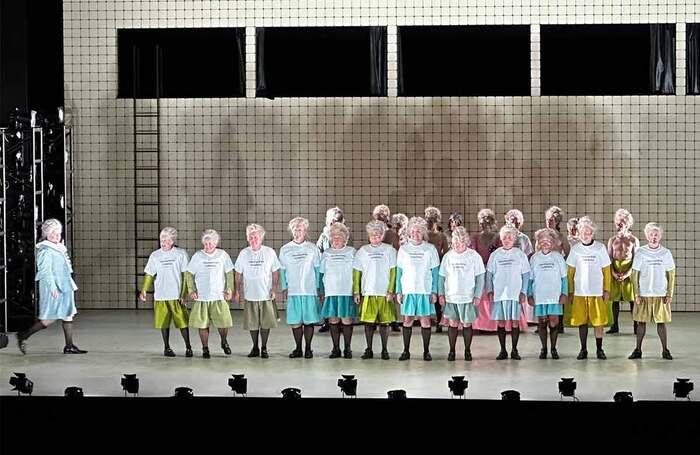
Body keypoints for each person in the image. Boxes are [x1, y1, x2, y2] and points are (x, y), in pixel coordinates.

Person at [17, 219, 87, 355]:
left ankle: (69, 346)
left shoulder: (59, 247)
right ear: (46, 234)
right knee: (48, 319)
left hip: (65, 285)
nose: (56, 236)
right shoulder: (45, 249)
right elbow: (45, 271)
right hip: (53, 288)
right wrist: (52, 287)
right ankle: (23, 336)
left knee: (68, 314)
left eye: (58, 233)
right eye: (53, 233)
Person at [140, 227, 192, 357]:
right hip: (161, 295)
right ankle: (167, 348)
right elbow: (149, 274)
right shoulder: (155, 255)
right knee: (164, 323)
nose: (162, 242)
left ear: (172, 240)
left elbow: (186, 275)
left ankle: (188, 347)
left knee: (182, 322)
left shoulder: (181, 254)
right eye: (161, 239)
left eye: (165, 240)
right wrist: (144, 290)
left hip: (176, 296)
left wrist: (183, 294)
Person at [566, 217, 611, 360]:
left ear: (593, 233)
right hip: (580, 292)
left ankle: (599, 349)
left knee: (599, 323)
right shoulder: (575, 249)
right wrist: (571, 291)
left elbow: (606, 271)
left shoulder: (600, 248)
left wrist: (607, 289)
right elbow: (570, 273)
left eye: (588, 233)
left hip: (597, 292)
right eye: (582, 233)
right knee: (582, 322)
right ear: (578, 234)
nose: (585, 235)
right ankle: (583, 349)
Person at [628, 223, 675, 360]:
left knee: (661, 323)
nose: (653, 237)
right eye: (651, 234)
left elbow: (671, 274)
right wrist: (636, 293)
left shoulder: (665, 253)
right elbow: (634, 274)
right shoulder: (641, 252)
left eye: (656, 234)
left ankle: (665, 350)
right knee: (641, 322)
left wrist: (669, 293)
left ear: (660, 236)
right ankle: (638, 350)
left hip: (660, 293)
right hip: (644, 293)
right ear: (647, 235)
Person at [185, 229, 234, 358]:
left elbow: (229, 274)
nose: (208, 246)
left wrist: (229, 289)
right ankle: (205, 348)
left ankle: (224, 342)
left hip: (218, 296)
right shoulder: (198, 256)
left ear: (216, 243)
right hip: (202, 297)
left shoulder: (223, 255)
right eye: (206, 244)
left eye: (210, 243)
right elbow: (189, 274)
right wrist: (191, 290)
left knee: (223, 323)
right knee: (202, 325)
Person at [397, 217, 440, 361]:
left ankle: (426, 351)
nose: (416, 233)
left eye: (419, 231)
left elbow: (435, 272)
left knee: (425, 321)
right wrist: (399, 291)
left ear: (423, 233)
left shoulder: (430, 249)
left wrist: (434, 291)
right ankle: (406, 351)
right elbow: (399, 272)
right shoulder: (404, 249)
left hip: (424, 290)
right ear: (409, 232)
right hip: (408, 290)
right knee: (407, 320)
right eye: (413, 231)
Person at [438, 226, 485, 361]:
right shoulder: (448, 256)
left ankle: (467, 351)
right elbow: (441, 277)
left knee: (467, 324)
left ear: (466, 242)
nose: (457, 245)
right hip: (451, 296)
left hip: (468, 297)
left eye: (460, 243)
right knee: (452, 323)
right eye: (454, 243)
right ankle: (452, 351)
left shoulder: (474, 256)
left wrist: (477, 295)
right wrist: (441, 294)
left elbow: (480, 277)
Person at [234, 224, 280, 359]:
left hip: (265, 295)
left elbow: (275, 272)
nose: (254, 239)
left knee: (265, 324)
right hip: (250, 295)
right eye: (251, 237)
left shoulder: (269, 252)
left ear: (261, 237)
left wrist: (274, 289)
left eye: (256, 237)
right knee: (252, 324)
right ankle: (255, 347)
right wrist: (237, 291)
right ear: (247, 238)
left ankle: (264, 348)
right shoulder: (244, 253)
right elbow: (237, 273)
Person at [353, 220, 397, 360]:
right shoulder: (363, 251)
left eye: (378, 235)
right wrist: (356, 291)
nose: (375, 238)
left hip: (384, 293)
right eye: (373, 235)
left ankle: (384, 350)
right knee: (368, 323)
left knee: (385, 323)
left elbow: (393, 271)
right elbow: (356, 273)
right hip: (368, 292)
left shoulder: (389, 250)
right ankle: (369, 349)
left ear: (382, 235)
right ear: (369, 236)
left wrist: (391, 290)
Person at [279, 217, 323, 359]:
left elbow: (317, 269)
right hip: (293, 290)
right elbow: (282, 270)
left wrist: (318, 288)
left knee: (309, 321)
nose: (297, 232)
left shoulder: (312, 248)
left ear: (305, 231)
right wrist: (284, 287)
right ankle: (298, 348)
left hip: (309, 290)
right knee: (295, 322)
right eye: (295, 230)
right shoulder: (285, 249)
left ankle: (308, 349)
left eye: (300, 229)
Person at [487, 225, 531, 360]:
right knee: (501, 322)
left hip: (515, 294)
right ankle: (503, 350)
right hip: (500, 294)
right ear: (501, 239)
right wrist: (489, 290)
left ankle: (514, 350)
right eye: (504, 237)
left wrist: (523, 291)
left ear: (514, 239)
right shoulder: (495, 255)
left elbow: (526, 274)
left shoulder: (519, 254)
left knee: (514, 322)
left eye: (510, 237)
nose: (507, 240)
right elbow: (489, 274)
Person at [528, 228, 568, 359]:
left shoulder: (558, 258)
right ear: (538, 243)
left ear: (553, 243)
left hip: (555, 295)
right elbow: (530, 278)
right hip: (539, 295)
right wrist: (529, 294)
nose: (545, 244)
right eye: (542, 241)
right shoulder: (534, 258)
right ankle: (544, 348)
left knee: (554, 322)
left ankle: (554, 348)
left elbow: (564, 278)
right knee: (542, 322)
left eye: (548, 241)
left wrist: (564, 293)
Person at [319, 223, 357, 358]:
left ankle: (347, 349)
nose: (336, 240)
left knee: (346, 320)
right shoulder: (326, 253)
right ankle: (335, 349)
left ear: (345, 239)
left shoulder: (351, 251)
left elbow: (357, 272)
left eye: (339, 237)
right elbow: (321, 273)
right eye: (334, 237)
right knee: (333, 320)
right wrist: (321, 291)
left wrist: (357, 290)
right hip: (331, 291)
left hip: (346, 291)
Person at [607, 209, 640, 334]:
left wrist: (628, 273)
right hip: (615, 270)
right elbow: (608, 259)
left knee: (632, 300)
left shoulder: (633, 240)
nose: (619, 224)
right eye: (618, 222)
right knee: (614, 300)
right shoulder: (612, 240)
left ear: (628, 223)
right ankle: (615, 325)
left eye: (622, 222)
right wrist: (613, 273)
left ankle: (636, 325)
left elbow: (636, 260)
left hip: (629, 270)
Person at [317, 207, 348, 332]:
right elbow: (318, 249)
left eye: (336, 220)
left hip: (340, 269)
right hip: (328, 269)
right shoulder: (324, 235)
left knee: (340, 296)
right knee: (326, 296)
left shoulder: (344, 233)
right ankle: (327, 321)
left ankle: (341, 322)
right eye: (331, 221)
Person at [425, 207, 448, 332]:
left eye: (433, 220)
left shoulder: (441, 236)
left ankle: (439, 321)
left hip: (438, 268)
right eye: (428, 220)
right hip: (425, 268)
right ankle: (426, 319)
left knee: (438, 295)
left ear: (437, 221)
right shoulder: (423, 235)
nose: (430, 222)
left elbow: (447, 253)